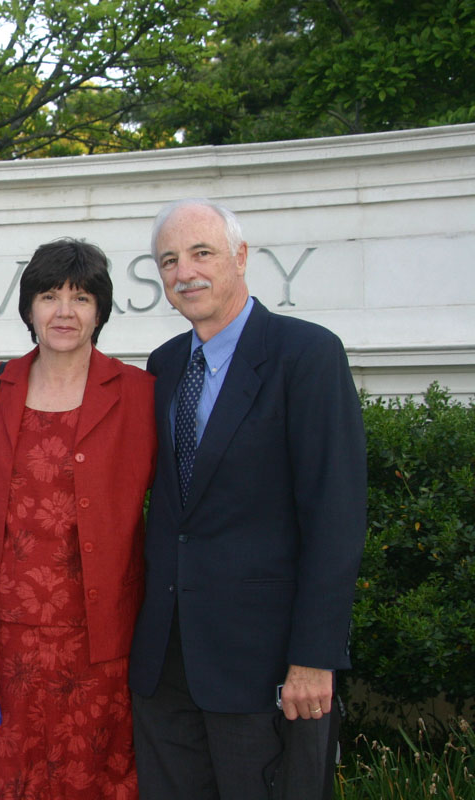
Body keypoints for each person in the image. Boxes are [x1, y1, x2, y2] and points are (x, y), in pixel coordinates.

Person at [129, 199, 367, 799]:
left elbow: (335, 517)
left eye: (201, 253)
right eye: (169, 261)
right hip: (167, 665)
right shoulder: (164, 366)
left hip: (263, 668)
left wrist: (314, 656)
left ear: (240, 257)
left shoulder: (306, 355)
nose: (185, 272)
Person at [0, 238, 156, 799]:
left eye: (81, 298)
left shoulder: (139, 394)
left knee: (102, 775)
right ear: (29, 308)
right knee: (20, 774)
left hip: (100, 633)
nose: (64, 312)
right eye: (49, 296)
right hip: (10, 633)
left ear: (100, 311)